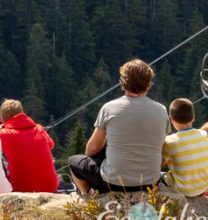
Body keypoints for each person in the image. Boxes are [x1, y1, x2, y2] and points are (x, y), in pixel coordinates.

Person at [68, 59, 169, 195]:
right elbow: (162, 147)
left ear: (122, 81)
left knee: (73, 162)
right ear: (148, 84)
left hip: (113, 183)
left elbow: (92, 149)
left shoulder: (109, 108)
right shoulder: (161, 110)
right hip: (150, 182)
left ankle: (87, 196)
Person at [0, 99, 58, 192]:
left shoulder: (6, 134)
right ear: (22, 113)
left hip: (23, 189)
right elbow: (51, 144)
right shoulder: (39, 129)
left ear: (3, 118)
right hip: (50, 188)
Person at [161, 97, 208, 197]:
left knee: (162, 175)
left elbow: (160, 162)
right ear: (193, 117)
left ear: (171, 119)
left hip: (183, 190)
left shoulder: (169, 141)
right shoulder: (204, 134)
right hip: (203, 187)